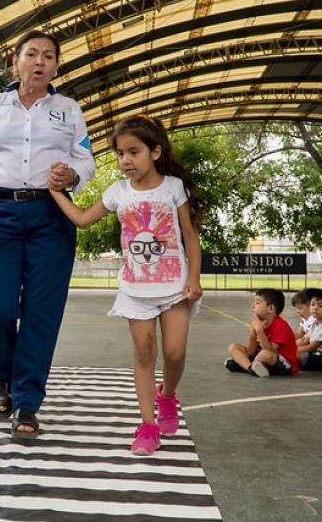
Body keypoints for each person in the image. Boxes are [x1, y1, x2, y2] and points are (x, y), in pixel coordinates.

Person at [0, 29, 96, 439]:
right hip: (1, 214)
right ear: (15, 61)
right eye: (31, 54)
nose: (40, 62)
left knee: (41, 313)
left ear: (56, 65)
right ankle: (6, 374)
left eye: (48, 56)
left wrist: (72, 173)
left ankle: (26, 403)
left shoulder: (69, 109)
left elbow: (85, 158)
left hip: (51, 216)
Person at [48, 114, 202, 455]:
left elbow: (190, 236)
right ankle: (147, 428)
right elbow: (83, 219)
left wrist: (194, 278)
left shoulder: (174, 189)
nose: (125, 161)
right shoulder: (118, 192)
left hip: (175, 286)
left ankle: (168, 396)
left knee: (175, 354)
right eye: (120, 154)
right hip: (135, 290)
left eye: (134, 152)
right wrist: (57, 193)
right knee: (144, 353)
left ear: (156, 152)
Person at [225, 288, 299, 378]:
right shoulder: (259, 323)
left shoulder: (281, 325)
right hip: (261, 357)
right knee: (233, 347)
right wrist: (252, 335)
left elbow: (269, 350)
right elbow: (251, 352)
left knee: (264, 355)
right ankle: (250, 369)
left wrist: (260, 331)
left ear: (270, 308)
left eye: (257, 303)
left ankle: (244, 366)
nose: (253, 306)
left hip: (283, 363)